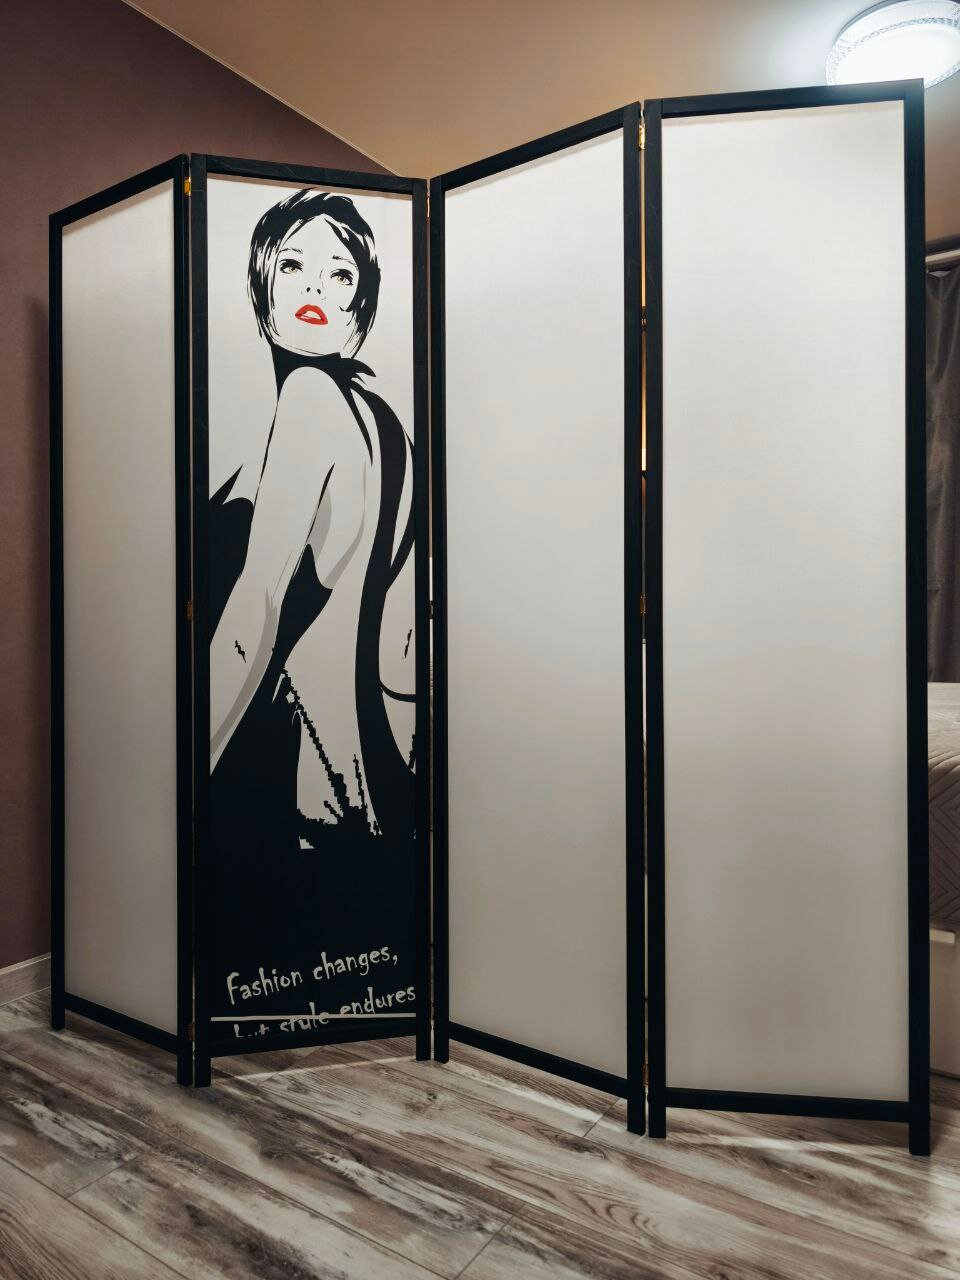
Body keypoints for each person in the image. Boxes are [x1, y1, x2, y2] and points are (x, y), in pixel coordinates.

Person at [209, 189, 415, 853]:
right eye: (294, 265)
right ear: (262, 282)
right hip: (368, 787)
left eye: (340, 274)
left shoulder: (310, 399)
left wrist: (182, 769)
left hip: (297, 780)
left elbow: (255, 608)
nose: (315, 288)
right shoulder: (382, 423)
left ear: (360, 310)